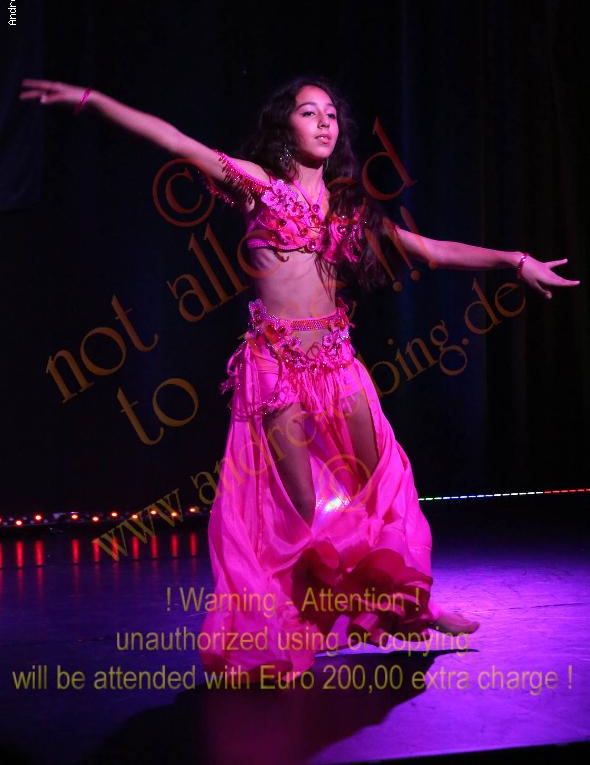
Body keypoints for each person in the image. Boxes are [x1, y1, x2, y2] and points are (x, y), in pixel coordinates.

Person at [19, 75, 580, 683]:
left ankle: (410, 607)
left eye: (331, 115)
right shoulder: (258, 186)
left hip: (338, 363)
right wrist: (92, 101)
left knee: (377, 489)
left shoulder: (349, 210)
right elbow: (176, 141)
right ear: (285, 125)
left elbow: (432, 251)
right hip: (276, 367)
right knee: (301, 509)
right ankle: (284, 632)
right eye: (309, 112)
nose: (323, 123)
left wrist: (516, 261)